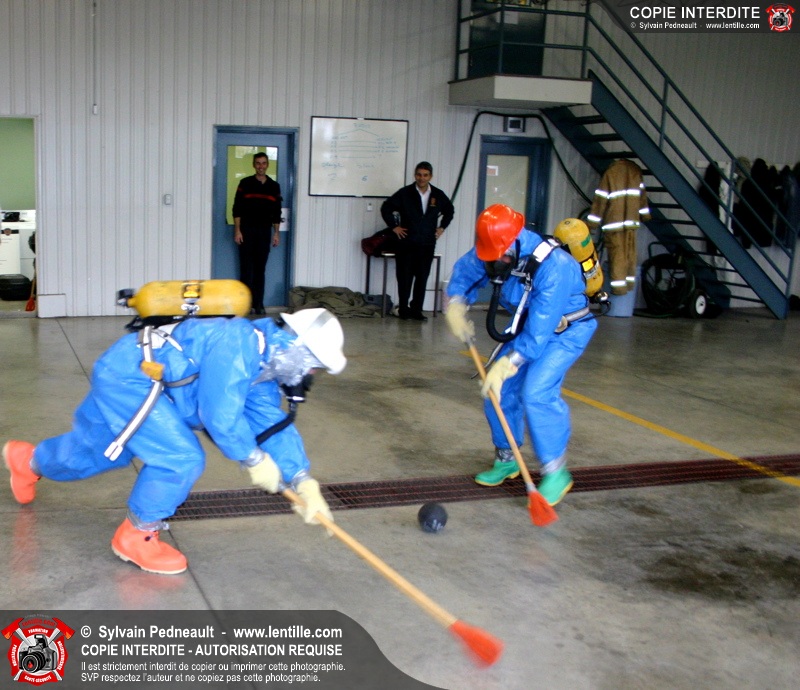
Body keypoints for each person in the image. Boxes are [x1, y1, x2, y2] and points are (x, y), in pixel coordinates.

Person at [3, 307, 346, 575]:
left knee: (102, 451)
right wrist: (254, 459)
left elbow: (270, 423)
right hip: (133, 379)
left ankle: (28, 462)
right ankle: (137, 535)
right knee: (180, 458)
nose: (310, 375)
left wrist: (302, 479)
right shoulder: (239, 342)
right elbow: (220, 415)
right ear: (297, 349)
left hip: (140, 379)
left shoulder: (263, 367)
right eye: (314, 367)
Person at [444, 204, 597, 506]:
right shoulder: (495, 247)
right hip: (527, 327)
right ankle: (507, 459)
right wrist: (456, 304)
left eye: (500, 257)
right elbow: (467, 271)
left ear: (515, 242)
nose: (494, 262)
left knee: (537, 392)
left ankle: (556, 472)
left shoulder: (555, 267)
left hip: (564, 331)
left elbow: (539, 334)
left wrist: (509, 363)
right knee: (497, 390)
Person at [381, 161, 454, 321]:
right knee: (405, 277)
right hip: (406, 243)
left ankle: (416, 310)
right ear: (415, 175)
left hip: (427, 243)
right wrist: (394, 227)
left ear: (430, 176)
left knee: (422, 277)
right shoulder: (405, 193)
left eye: (425, 175)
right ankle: (404, 309)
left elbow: (449, 210)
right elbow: (386, 207)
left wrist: (442, 227)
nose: (422, 178)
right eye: (419, 175)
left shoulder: (437, 195)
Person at [233, 152, 283, 315]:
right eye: (258, 163)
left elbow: (276, 212)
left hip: (264, 232)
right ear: (254, 165)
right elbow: (237, 208)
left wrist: (276, 233)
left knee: (260, 269)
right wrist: (237, 230)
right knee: (246, 269)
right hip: (246, 231)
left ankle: (258, 304)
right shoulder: (245, 183)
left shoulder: (274, 186)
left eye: (263, 163)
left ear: (267, 165)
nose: (261, 166)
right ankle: (244, 304)